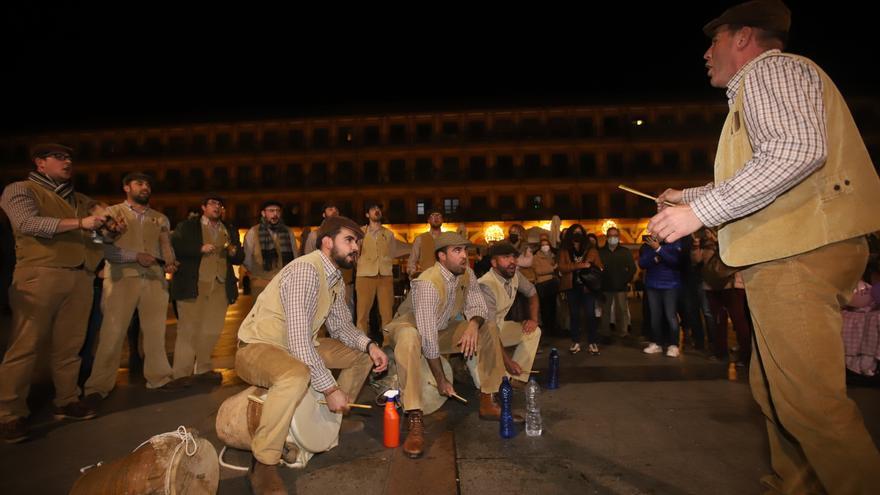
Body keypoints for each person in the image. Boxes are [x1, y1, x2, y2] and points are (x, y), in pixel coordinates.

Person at [648, 1, 880, 492]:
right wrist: (687, 196)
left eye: (713, 42)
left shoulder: (770, 70)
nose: (705, 54)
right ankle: (795, 484)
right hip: (799, 247)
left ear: (743, 38)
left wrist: (696, 214)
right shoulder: (761, 88)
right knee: (774, 390)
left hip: (797, 252)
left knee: (809, 403)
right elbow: (763, 173)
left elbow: (796, 151)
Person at [236, 216, 387, 494]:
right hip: (259, 347)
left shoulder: (335, 279)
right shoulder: (306, 269)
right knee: (295, 374)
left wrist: (370, 345)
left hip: (299, 345)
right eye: (350, 240)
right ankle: (263, 462)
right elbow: (298, 340)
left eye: (359, 242)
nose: (357, 248)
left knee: (360, 354)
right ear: (327, 242)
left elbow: (341, 327)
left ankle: (334, 418)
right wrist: (329, 387)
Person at [0, 144, 113, 442]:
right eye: (60, 157)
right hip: (40, 274)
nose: (68, 162)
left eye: (70, 157)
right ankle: (8, 412)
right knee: (25, 345)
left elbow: (101, 230)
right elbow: (26, 223)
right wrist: (80, 222)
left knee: (70, 346)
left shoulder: (79, 198)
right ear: (40, 163)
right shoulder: (20, 190)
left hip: (80, 276)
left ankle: (67, 399)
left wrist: (109, 224)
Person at [383, 232, 505, 458]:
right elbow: (427, 338)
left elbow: (479, 308)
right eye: (457, 251)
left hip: (440, 329)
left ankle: (488, 398)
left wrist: (472, 325)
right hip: (409, 327)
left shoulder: (466, 273)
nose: (464, 257)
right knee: (410, 336)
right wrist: (441, 379)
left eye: (465, 251)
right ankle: (415, 416)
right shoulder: (428, 282)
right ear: (441, 256)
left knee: (488, 327)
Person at [83, 172, 184, 403]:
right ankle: (98, 386)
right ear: (126, 187)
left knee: (156, 333)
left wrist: (170, 262)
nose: (145, 187)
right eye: (139, 183)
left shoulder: (160, 218)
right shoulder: (111, 213)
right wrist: (134, 256)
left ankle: (159, 378)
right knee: (112, 332)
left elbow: (164, 246)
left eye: (148, 183)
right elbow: (101, 246)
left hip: (155, 279)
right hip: (121, 278)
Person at [169, 194, 244, 382]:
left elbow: (238, 257)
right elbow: (175, 245)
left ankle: (202, 368)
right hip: (194, 284)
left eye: (219, 204)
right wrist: (199, 248)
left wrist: (235, 253)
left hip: (220, 284)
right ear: (203, 207)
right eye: (212, 203)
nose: (217, 207)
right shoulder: (188, 226)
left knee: (212, 328)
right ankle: (181, 373)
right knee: (188, 329)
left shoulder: (229, 229)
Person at [477, 242, 542, 387]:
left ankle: (517, 378)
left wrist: (533, 319)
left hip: (499, 328)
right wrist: (508, 363)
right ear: (494, 262)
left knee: (534, 331)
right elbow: (490, 330)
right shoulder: (485, 285)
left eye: (514, 257)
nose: (512, 261)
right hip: (482, 336)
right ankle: (506, 374)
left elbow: (532, 293)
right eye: (506, 257)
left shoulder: (515, 275)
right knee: (491, 385)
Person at [558, 224, 603, 354]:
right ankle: (575, 341)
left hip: (588, 287)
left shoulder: (592, 250)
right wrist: (579, 265)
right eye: (575, 232)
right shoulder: (564, 250)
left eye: (580, 232)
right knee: (574, 315)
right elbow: (562, 267)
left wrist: (593, 267)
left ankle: (592, 342)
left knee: (590, 315)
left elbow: (600, 266)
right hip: (571, 287)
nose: (577, 234)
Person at [243, 200, 297, 298]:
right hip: (260, 284)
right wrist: (257, 276)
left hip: (284, 284)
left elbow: (295, 257)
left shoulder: (288, 232)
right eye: (271, 211)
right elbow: (247, 260)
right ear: (263, 213)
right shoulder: (253, 232)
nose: (275, 214)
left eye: (278, 211)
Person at [407, 210, 444, 277]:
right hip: (426, 280)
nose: (436, 218)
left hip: (445, 280)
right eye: (433, 215)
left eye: (439, 215)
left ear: (442, 220)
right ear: (428, 220)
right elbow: (412, 261)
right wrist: (414, 274)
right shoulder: (420, 239)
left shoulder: (447, 238)